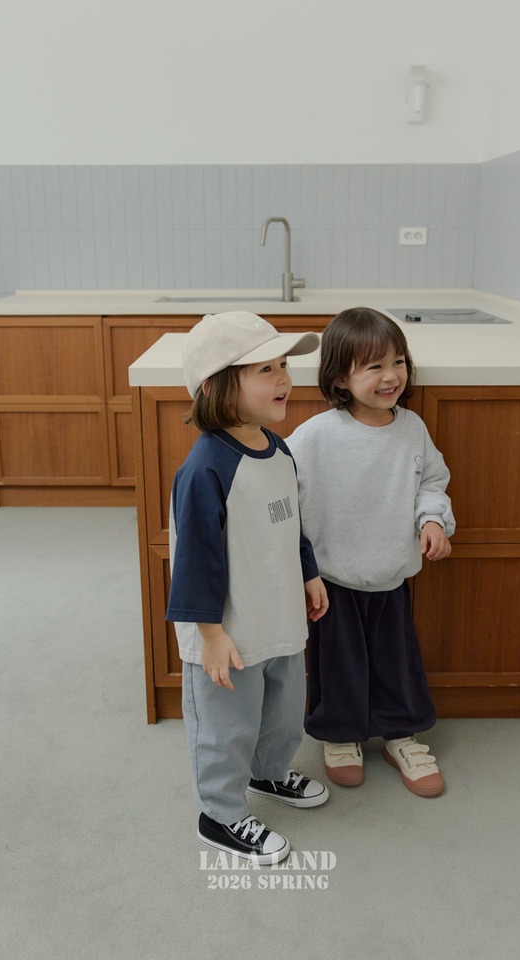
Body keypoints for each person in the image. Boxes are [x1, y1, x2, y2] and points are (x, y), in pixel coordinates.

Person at [166, 311, 330, 865]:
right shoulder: (205, 469)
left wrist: (308, 572)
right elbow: (195, 560)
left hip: (277, 615)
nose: (284, 378)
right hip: (228, 632)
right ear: (216, 386)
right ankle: (219, 813)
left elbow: (290, 524)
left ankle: (268, 772)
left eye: (284, 365)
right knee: (227, 725)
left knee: (281, 711)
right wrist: (209, 635)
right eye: (266, 369)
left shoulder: (278, 449)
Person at [286, 307, 455, 797]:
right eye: (374, 366)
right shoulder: (316, 435)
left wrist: (432, 519)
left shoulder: (412, 428)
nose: (391, 376)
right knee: (337, 665)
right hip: (332, 580)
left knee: (395, 662)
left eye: (397, 362)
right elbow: (280, 487)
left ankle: (401, 735)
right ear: (341, 376)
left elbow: (432, 481)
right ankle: (340, 736)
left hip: (391, 574)